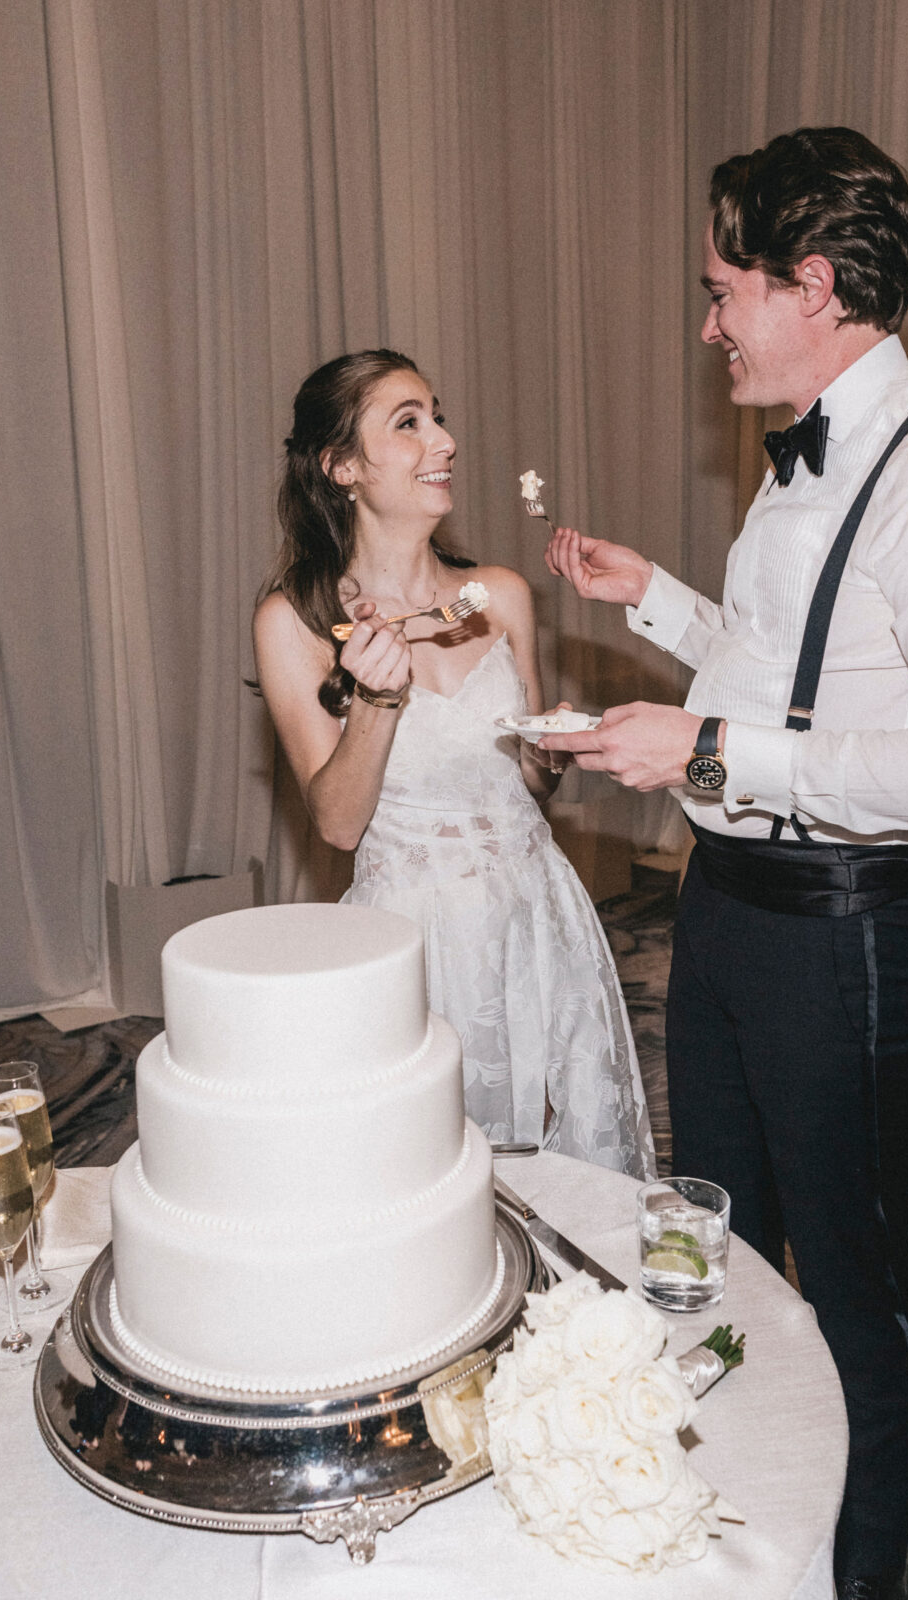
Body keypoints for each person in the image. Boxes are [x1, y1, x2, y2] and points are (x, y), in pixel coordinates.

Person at [540, 128, 908, 1600]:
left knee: (852, 1276)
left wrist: (712, 756)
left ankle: (857, 1574)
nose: (704, 324)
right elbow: (794, 671)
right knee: (714, 1242)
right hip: (730, 908)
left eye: (718, 289)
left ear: (809, 285)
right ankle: (729, 1544)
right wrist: (662, 605)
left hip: (850, 932)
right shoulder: (801, 452)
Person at [253, 349, 655, 1181]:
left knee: (567, 1165)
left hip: (537, 909)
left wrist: (550, 754)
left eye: (436, 415)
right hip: (416, 934)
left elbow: (532, 779)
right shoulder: (294, 622)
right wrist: (376, 699)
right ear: (340, 468)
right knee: (431, 1169)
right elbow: (336, 824)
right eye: (408, 424)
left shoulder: (501, 594)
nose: (443, 440)